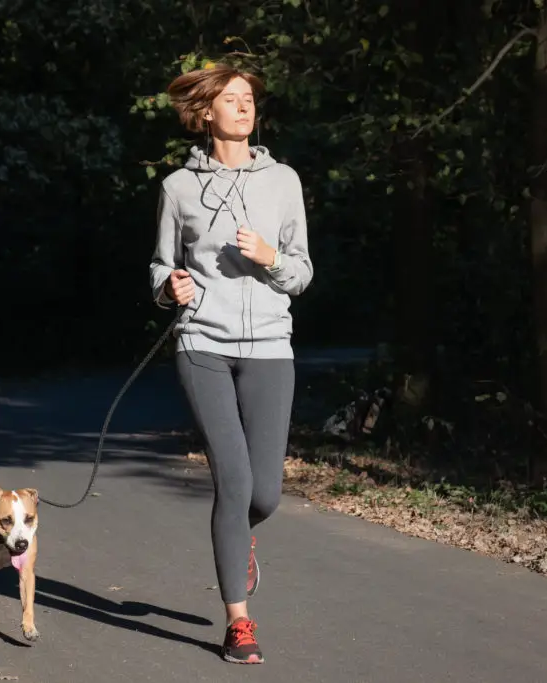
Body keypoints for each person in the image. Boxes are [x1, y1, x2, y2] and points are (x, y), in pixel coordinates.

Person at [148, 61, 313, 664]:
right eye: (233, 99)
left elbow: (302, 271)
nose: (245, 107)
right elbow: (160, 267)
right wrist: (172, 288)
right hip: (203, 345)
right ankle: (238, 624)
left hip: (271, 345)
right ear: (206, 113)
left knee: (264, 494)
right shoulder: (177, 188)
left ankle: (238, 538)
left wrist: (270, 258)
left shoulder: (284, 181)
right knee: (234, 481)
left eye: (249, 99)